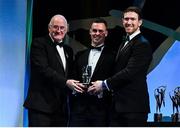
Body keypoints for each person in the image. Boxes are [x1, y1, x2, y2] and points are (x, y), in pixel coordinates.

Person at [89, 6, 153, 126]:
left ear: (140, 22)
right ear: (122, 21)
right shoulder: (124, 42)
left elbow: (129, 72)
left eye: (132, 19)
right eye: (126, 19)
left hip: (133, 108)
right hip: (118, 107)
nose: (129, 22)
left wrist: (104, 85)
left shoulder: (142, 44)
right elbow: (117, 70)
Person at [23, 14, 80, 126]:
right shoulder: (38, 44)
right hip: (41, 107)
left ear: (67, 29)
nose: (59, 30)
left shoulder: (68, 50)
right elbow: (43, 70)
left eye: (62, 28)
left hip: (61, 109)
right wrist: (66, 82)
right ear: (49, 28)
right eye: (55, 27)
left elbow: (69, 74)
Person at [68, 18, 116, 127]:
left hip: (101, 111)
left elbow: (115, 81)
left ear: (106, 33)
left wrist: (102, 88)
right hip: (79, 111)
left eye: (100, 31)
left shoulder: (113, 56)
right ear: (90, 32)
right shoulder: (80, 55)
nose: (97, 33)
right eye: (94, 30)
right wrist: (76, 87)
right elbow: (73, 77)